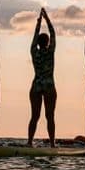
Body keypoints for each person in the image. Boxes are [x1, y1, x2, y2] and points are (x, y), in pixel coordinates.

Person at [26, 8, 56, 148]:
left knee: (35, 116)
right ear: (48, 42)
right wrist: (47, 19)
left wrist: (38, 23)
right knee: (49, 116)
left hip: (37, 84)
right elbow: (53, 33)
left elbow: (34, 37)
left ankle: (30, 142)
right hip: (48, 84)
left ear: (38, 43)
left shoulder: (34, 51)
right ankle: (51, 143)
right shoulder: (50, 51)